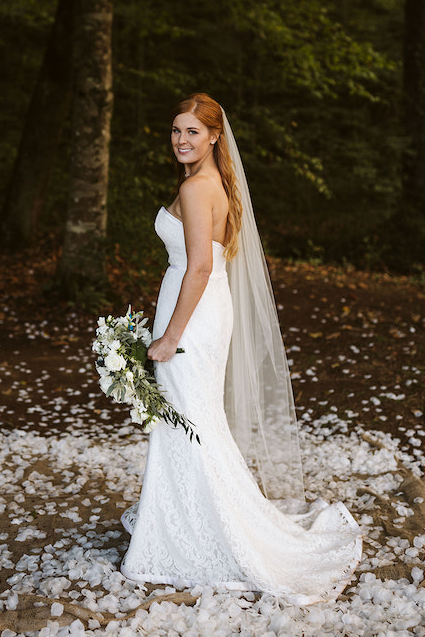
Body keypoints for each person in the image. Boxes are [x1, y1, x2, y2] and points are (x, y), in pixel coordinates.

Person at [120, 92, 362, 604]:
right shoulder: (209, 184)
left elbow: (200, 268)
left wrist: (169, 337)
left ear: (213, 136)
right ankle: (180, 520)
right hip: (204, 309)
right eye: (175, 130)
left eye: (192, 131)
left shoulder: (197, 189)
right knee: (191, 419)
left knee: (190, 419)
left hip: (194, 315)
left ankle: (211, 533)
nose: (181, 140)